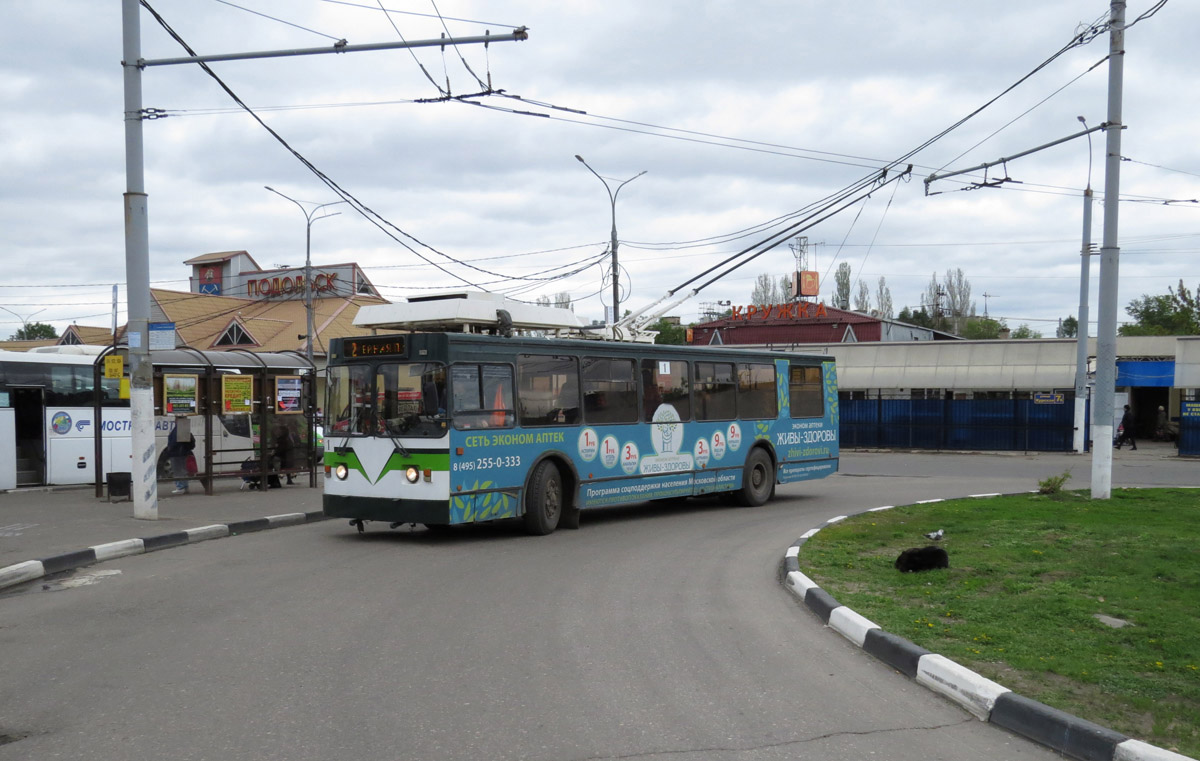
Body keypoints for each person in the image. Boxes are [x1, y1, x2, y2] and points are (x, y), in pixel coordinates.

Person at [166, 424, 195, 494]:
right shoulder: (184, 428)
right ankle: (185, 487)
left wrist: (169, 449)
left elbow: (174, 442)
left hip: (176, 453)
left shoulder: (178, 429)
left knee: (177, 470)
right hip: (182, 453)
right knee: (183, 470)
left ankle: (180, 487)